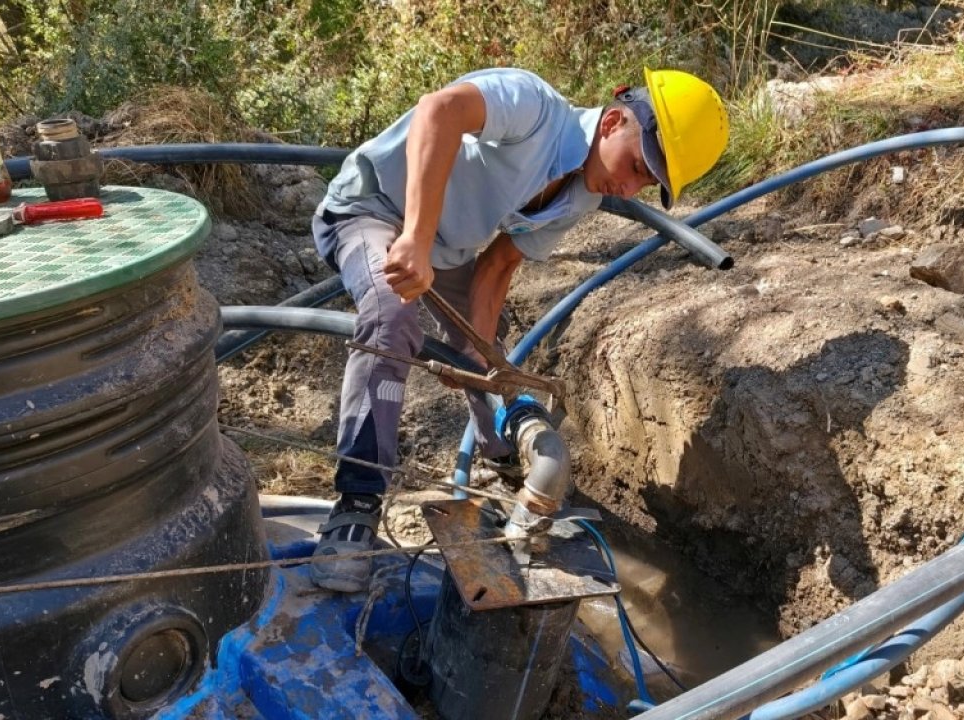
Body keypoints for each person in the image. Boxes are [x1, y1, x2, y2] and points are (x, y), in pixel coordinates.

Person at [308, 67, 729, 592]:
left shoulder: (580, 198)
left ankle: (511, 467)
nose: (631, 187)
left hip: (444, 252)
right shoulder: (532, 107)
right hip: (372, 211)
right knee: (392, 314)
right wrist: (414, 236)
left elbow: (497, 269)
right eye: (638, 166)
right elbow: (439, 109)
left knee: (490, 359)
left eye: (648, 183)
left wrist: (476, 360)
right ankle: (356, 506)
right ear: (613, 122)